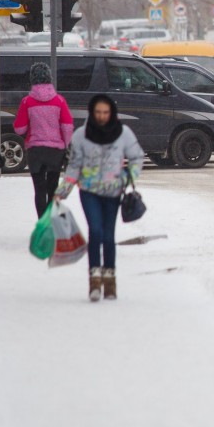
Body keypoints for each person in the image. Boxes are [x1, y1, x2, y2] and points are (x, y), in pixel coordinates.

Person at [56, 95, 144, 302]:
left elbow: (137, 157)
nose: (102, 117)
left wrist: (126, 177)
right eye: (98, 112)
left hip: (113, 193)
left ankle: (110, 278)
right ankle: (95, 279)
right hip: (89, 191)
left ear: (112, 113)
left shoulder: (123, 133)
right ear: (91, 113)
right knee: (95, 231)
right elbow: (74, 165)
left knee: (107, 235)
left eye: (106, 113)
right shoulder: (80, 136)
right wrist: (63, 190)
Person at [14, 62, 74, 218]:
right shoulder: (59, 101)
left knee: (39, 189)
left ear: (32, 80)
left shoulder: (27, 102)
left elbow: (19, 129)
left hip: (35, 151)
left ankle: (42, 221)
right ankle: (51, 220)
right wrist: (65, 144)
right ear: (50, 79)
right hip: (55, 151)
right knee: (52, 188)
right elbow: (67, 126)